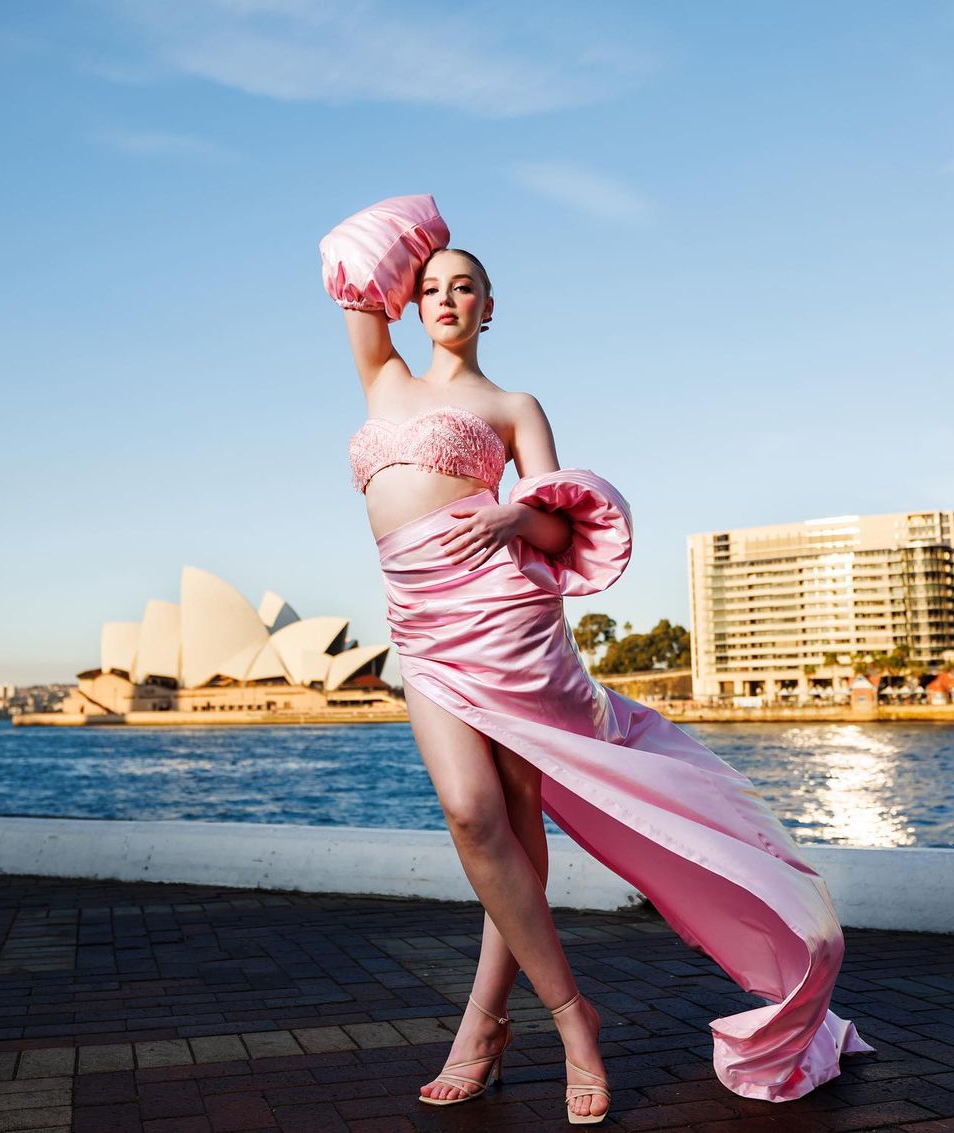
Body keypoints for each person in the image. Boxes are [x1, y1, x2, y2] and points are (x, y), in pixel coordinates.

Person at [319, 195, 872, 1125]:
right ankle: (565, 1019)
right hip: (419, 619)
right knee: (469, 814)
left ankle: (497, 1025)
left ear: (490, 308)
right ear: (413, 303)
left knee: (511, 815)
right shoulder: (382, 378)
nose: (448, 298)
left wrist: (509, 513)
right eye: (434, 286)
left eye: (467, 288)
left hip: (503, 619)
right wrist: (429, 223)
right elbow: (348, 260)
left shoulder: (511, 404)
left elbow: (561, 519)